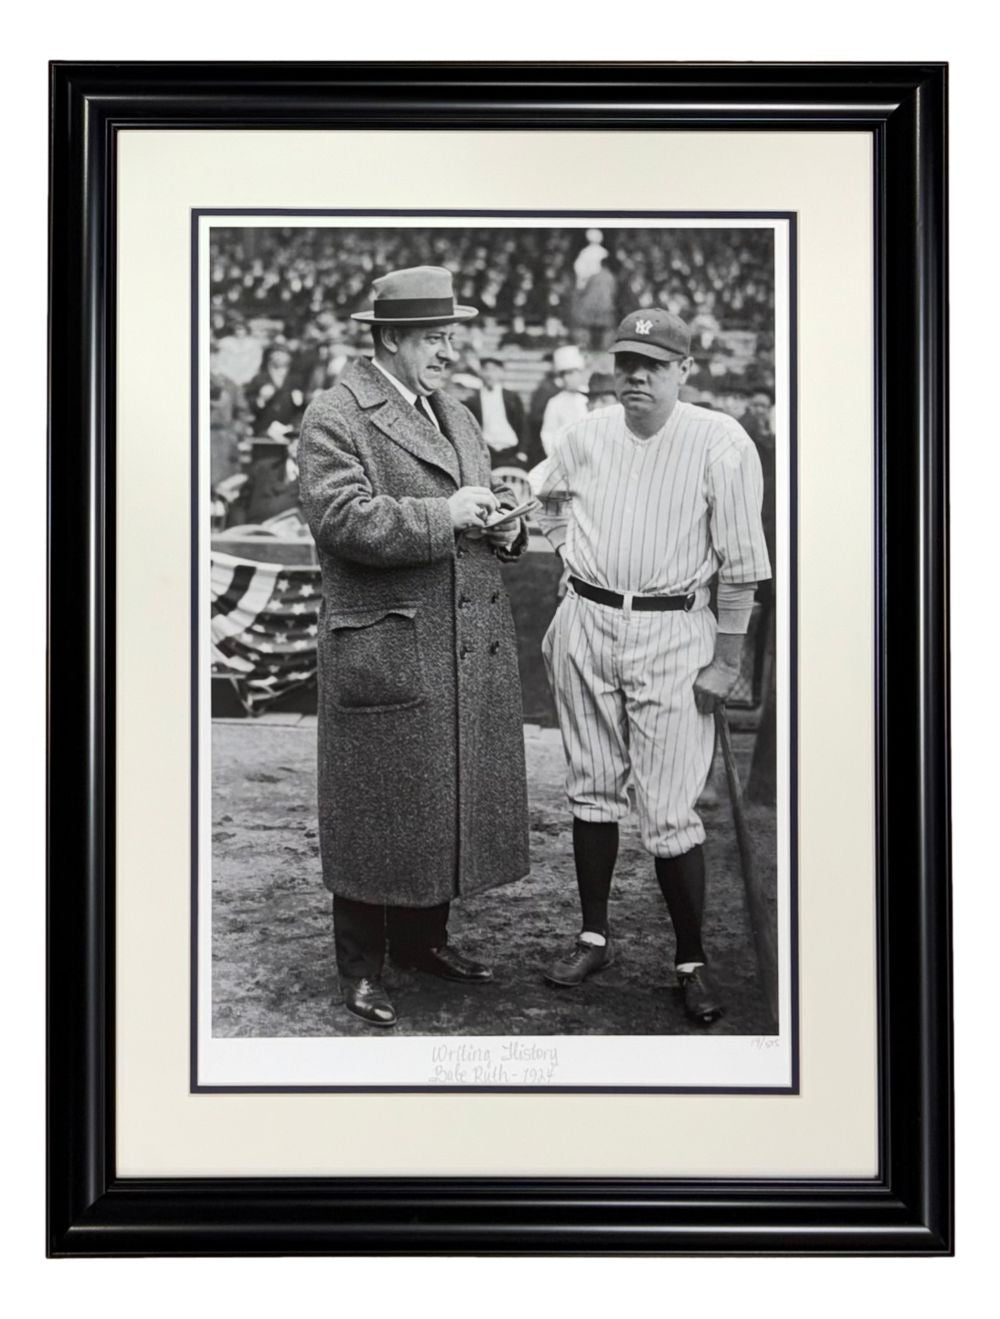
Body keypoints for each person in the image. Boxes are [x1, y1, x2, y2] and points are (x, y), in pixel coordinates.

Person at [298, 266, 531, 1029]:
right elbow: (342, 520)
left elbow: (475, 510)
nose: (447, 350)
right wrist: (447, 516)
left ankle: (426, 940)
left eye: (451, 335)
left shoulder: (456, 414)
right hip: (391, 644)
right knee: (376, 808)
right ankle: (362, 967)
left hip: (455, 641)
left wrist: (503, 525)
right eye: (434, 337)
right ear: (390, 339)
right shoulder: (335, 414)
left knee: (439, 802)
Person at [532, 308, 771, 1024]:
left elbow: (742, 567)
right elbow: (545, 496)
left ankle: (690, 960)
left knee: (668, 812)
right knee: (592, 789)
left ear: (684, 371)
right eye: (627, 362)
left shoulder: (720, 442)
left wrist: (727, 660)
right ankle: (594, 935)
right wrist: (570, 559)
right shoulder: (586, 432)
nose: (636, 376)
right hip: (588, 619)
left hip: (674, 629)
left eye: (654, 365)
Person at [464, 355, 541, 471]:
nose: (489, 374)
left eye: (494, 370)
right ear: (480, 373)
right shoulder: (473, 400)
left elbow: (523, 426)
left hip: (511, 452)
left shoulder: (511, 397)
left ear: (501, 372)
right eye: (486, 370)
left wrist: (522, 452)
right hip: (487, 453)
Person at [540, 345, 589, 455]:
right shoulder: (555, 402)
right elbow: (548, 434)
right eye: (565, 375)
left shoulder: (591, 396)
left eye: (572, 373)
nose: (568, 378)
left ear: (581, 373)